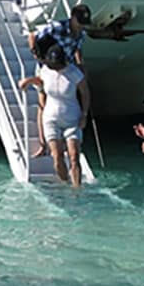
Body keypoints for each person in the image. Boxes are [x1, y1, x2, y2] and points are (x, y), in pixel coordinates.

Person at [19, 44, 90, 188]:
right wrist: (29, 81)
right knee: (57, 157)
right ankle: (64, 183)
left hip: (72, 118)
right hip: (51, 119)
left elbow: (85, 93)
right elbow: (41, 81)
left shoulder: (74, 73)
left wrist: (84, 114)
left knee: (74, 157)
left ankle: (77, 189)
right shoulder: (46, 70)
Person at [27, 4, 92, 67]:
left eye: (84, 23)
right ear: (73, 18)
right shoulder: (57, 27)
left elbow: (77, 48)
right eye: (80, 22)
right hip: (48, 66)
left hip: (66, 66)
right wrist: (35, 54)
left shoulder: (82, 33)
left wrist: (80, 64)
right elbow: (32, 35)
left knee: (81, 77)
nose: (81, 26)